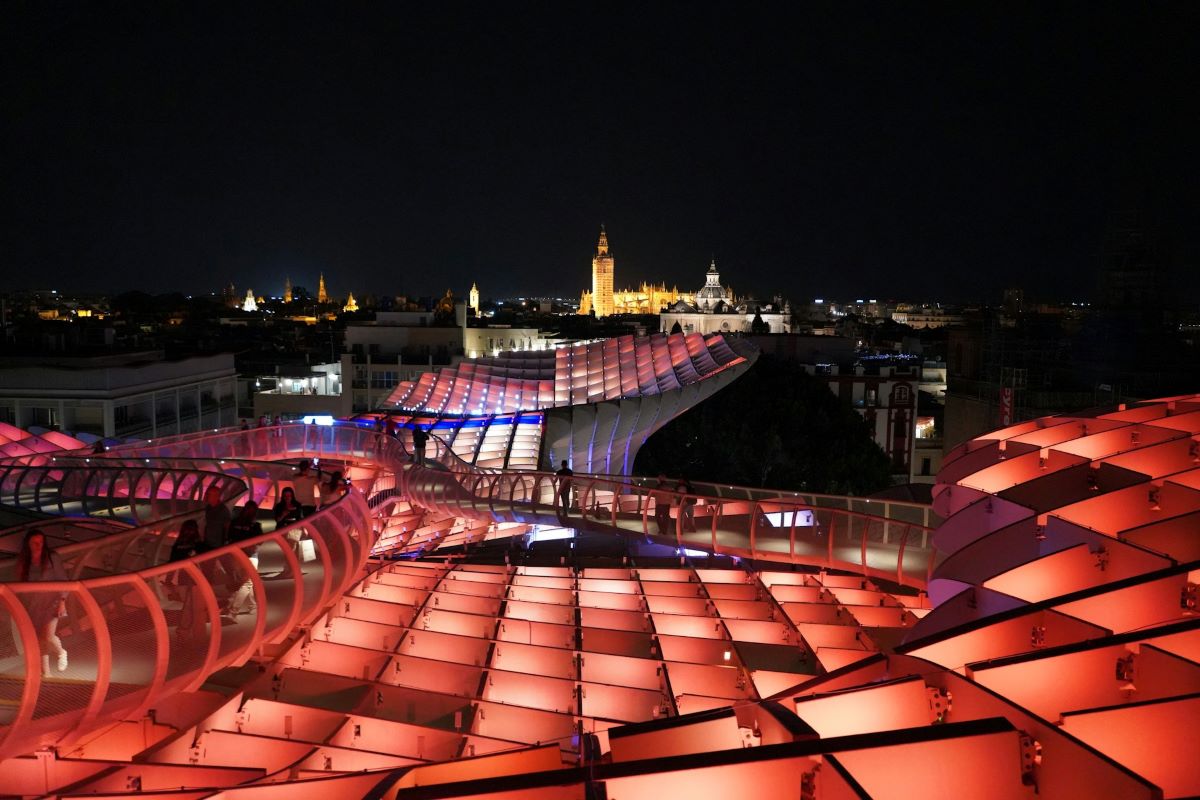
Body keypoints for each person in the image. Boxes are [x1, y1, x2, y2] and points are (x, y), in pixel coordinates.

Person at [17, 529, 70, 676]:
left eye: (40, 541)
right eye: (34, 542)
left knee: (47, 635)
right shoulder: (24, 561)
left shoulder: (52, 557)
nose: (38, 544)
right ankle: (46, 673)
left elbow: (63, 580)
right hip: (33, 604)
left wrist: (62, 601)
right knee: (39, 638)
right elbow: (21, 584)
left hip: (52, 601)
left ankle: (61, 652)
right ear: (27, 543)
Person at [166, 519, 207, 641]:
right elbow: (206, 563)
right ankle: (198, 637)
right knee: (198, 610)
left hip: (183, 581)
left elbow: (172, 564)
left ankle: (183, 633)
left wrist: (169, 580)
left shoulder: (177, 546)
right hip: (198, 581)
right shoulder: (200, 545)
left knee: (188, 608)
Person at [226, 503, 263, 617]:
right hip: (250, 556)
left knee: (244, 581)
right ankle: (233, 611)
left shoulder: (235, 522)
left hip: (236, 555)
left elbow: (229, 537)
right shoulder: (255, 525)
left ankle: (253, 605)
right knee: (247, 583)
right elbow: (260, 541)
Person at [202, 484, 231, 550]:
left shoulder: (223, 510)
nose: (206, 496)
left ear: (216, 496)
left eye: (208, 494)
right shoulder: (208, 508)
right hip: (208, 543)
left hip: (217, 545)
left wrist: (225, 542)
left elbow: (227, 527)